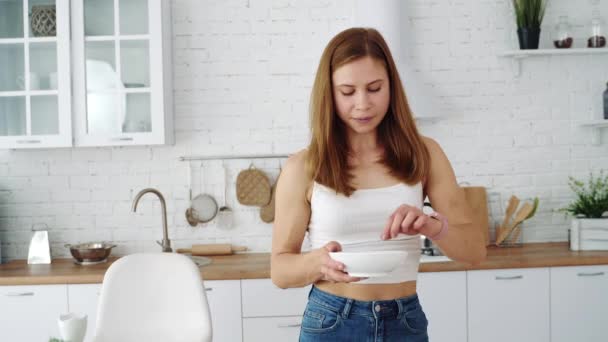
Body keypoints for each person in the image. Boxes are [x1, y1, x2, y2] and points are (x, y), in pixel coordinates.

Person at [271, 27, 486, 342]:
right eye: (347, 92)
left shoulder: (424, 154)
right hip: (332, 321)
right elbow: (280, 270)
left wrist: (431, 226)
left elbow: (475, 251)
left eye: (374, 88)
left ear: (392, 87)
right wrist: (316, 264)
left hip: (404, 321)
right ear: (329, 93)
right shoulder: (303, 167)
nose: (363, 104)